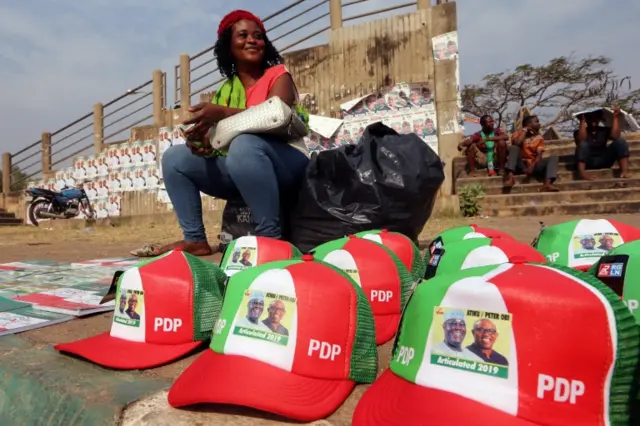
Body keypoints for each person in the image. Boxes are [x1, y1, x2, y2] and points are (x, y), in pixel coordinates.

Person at [134, 10, 309, 257]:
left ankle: (270, 237)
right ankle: (195, 240)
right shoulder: (226, 90)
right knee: (175, 158)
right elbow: (219, 139)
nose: (252, 40)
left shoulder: (278, 74)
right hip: (243, 167)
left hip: (287, 163)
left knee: (245, 144)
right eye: (243, 35)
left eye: (258, 36)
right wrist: (202, 143)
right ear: (229, 45)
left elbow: (276, 114)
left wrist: (223, 113)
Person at [503, 115, 560, 192]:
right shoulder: (517, 134)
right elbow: (517, 143)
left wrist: (532, 166)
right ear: (528, 124)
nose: (539, 124)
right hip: (520, 164)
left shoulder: (539, 138)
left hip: (532, 165)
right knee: (514, 148)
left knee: (554, 157)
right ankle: (510, 177)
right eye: (536, 122)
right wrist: (525, 130)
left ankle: (547, 184)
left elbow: (539, 154)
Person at [574, 106, 630, 180]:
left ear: (599, 118)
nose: (593, 120)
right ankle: (582, 174)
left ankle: (624, 171)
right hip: (588, 161)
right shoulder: (578, 132)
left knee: (620, 141)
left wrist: (615, 117)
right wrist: (582, 120)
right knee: (583, 144)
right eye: (590, 117)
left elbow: (616, 136)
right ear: (587, 119)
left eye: (596, 117)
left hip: (604, 159)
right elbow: (582, 139)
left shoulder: (604, 130)